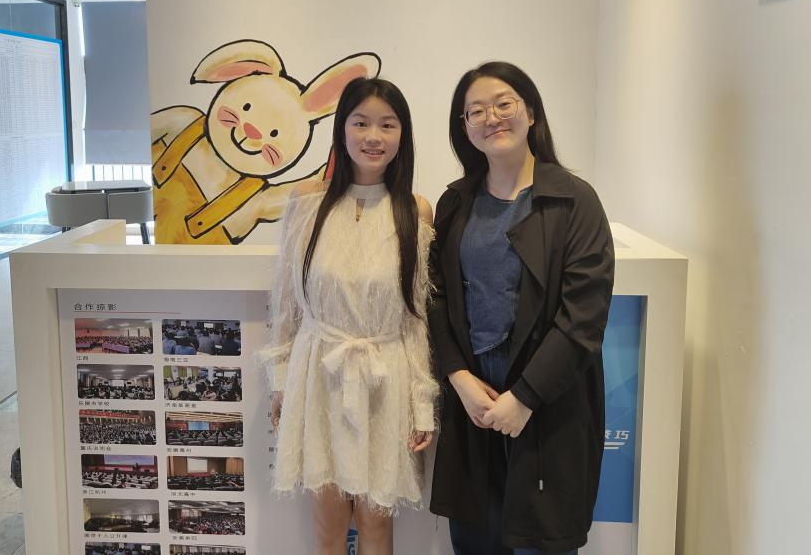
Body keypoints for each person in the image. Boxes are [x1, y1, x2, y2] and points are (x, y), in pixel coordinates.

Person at [427, 62, 614, 554]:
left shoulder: (573, 201)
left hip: (548, 403)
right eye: (475, 111)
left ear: (530, 112)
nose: (491, 117)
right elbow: (435, 296)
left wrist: (525, 397)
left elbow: (584, 316)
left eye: (503, 104)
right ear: (464, 128)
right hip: (473, 402)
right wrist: (458, 377)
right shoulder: (455, 202)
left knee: (542, 542)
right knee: (475, 540)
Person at [259, 77, 437, 555]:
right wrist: (280, 382)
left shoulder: (415, 210)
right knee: (328, 527)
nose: (373, 136)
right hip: (318, 374)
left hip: (385, 379)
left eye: (387, 125)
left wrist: (421, 404)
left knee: (377, 526)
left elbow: (415, 318)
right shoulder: (306, 203)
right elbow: (286, 305)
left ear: (402, 135)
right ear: (342, 129)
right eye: (361, 123)